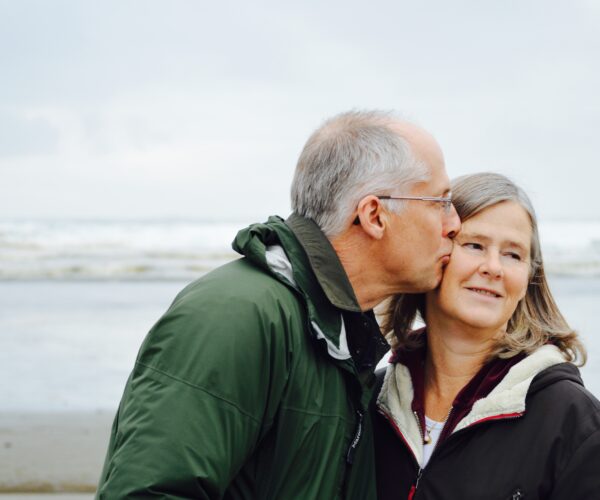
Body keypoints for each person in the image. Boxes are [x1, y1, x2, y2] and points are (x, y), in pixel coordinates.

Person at [96, 110, 460, 499]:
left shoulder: (339, 335)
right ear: (374, 215)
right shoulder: (237, 315)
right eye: (439, 201)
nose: (453, 223)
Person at [373, 172, 600, 499]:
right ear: (435, 256)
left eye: (513, 254)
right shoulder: (372, 401)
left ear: (526, 281)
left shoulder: (574, 422)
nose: (494, 267)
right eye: (475, 245)